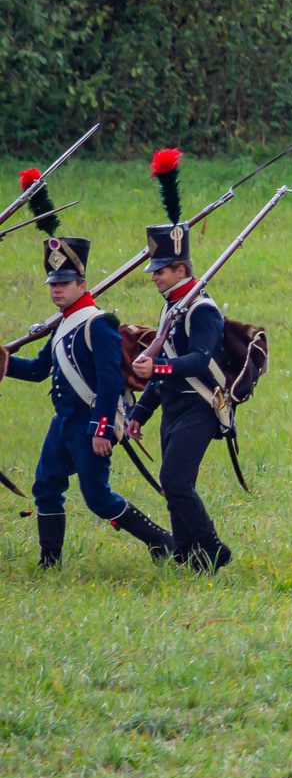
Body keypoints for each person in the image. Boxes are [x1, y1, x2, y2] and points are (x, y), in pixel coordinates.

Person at [8, 223, 176, 566]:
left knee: (98, 499)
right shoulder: (61, 325)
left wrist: (102, 429)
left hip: (89, 421)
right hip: (64, 421)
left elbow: (111, 380)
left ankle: (162, 542)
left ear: (81, 285)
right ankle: (49, 561)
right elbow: (38, 371)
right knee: (45, 487)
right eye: (53, 284)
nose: (56, 290)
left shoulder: (98, 323)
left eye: (63, 283)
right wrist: (4, 362)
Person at [122, 150, 234, 569]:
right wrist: (141, 414)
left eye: (162, 270)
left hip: (201, 406)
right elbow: (161, 368)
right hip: (173, 406)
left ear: (183, 268)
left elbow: (198, 360)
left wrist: (160, 370)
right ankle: (190, 556)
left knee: (174, 480)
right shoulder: (172, 308)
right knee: (174, 486)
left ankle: (213, 548)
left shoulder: (202, 310)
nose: (155, 276)